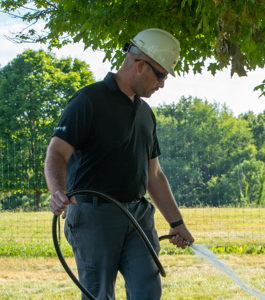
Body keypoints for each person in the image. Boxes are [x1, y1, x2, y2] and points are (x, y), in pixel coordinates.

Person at [44, 28, 194, 300]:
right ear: (140, 65)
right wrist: (57, 190)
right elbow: (56, 152)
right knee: (99, 294)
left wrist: (176, 222)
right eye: (160, 76)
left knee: (147, 291)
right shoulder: (89, 100)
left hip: (138, 215)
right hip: (94, 215)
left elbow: (154, 175)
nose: (162, 85)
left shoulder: (146, 114)